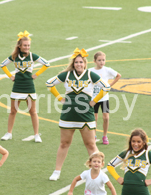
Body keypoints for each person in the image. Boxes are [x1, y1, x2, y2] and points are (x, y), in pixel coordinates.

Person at [46, 48, 111, 181]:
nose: (79, 64)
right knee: (64, 143)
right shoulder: (67, 75)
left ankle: (98, 172)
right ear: (73, 64)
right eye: (76, 62)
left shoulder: (90, 74)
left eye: (81, 62)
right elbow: (49, 83)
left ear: (85, 63)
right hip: (68, 114)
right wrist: (59, 98)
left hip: (86, 115)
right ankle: (57, 171)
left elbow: (106, 87)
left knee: (91, 144)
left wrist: (94, 101)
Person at [0, 30, 50, 143]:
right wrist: (10, 76)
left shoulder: (32, 56)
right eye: (25, 45)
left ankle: (36, 134)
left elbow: (46, 64)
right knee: (13, 111)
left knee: (33, 111)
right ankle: (9, 133)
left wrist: (36, 74)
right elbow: (2, 65)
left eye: (28, 45)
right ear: (20, 46)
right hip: (17, 86)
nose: (27, 47)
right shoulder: (14, 56)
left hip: (29, 86)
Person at [88, 51, 121, 145]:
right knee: (94, 118)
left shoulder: (107, 70)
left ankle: (105, 136)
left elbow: (118, 75)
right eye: (99, 60)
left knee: (106, 118)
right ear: (94, 61)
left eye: (103, 60)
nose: (101, 62)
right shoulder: (90, 71)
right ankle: (93, 135)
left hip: (104, 98)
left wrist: (110, 85)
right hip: (94, 99)